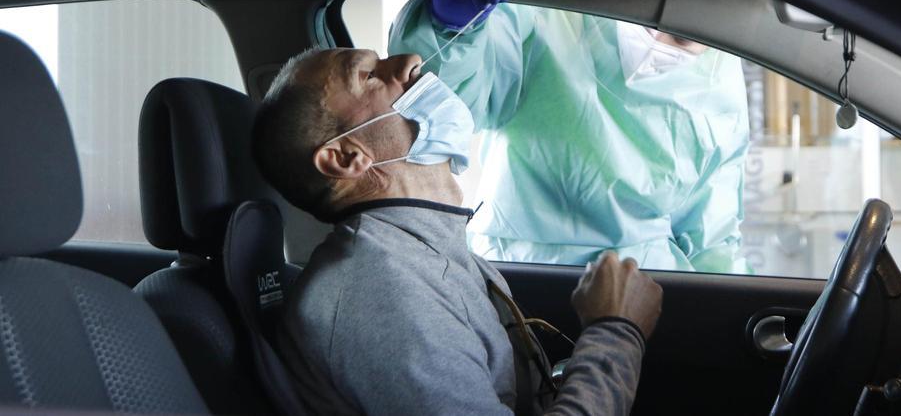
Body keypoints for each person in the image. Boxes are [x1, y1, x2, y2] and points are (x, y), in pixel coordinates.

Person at [252, 47, 662, 415]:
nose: (410, 61)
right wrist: (614, 333)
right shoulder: (379, 291)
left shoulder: (427, 252)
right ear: (346, 157)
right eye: (370, 75)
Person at [389, 0, 751, 273]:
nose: (662, 36)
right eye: (658, 23)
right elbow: (451, 106)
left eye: (685, 36)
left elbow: (711, 239)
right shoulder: (557, 17)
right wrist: (452, 30)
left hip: (636, 288)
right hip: (514, 272)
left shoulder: (720, 89)